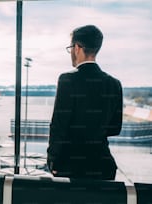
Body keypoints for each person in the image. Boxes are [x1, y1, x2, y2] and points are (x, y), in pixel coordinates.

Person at [47, 25, 123, 180]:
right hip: (103, 166)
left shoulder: (67, 80)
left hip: (70, 166)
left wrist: (53, 160)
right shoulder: (115, 84)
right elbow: (115, 128)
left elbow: (59, 126)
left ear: (77, 48)